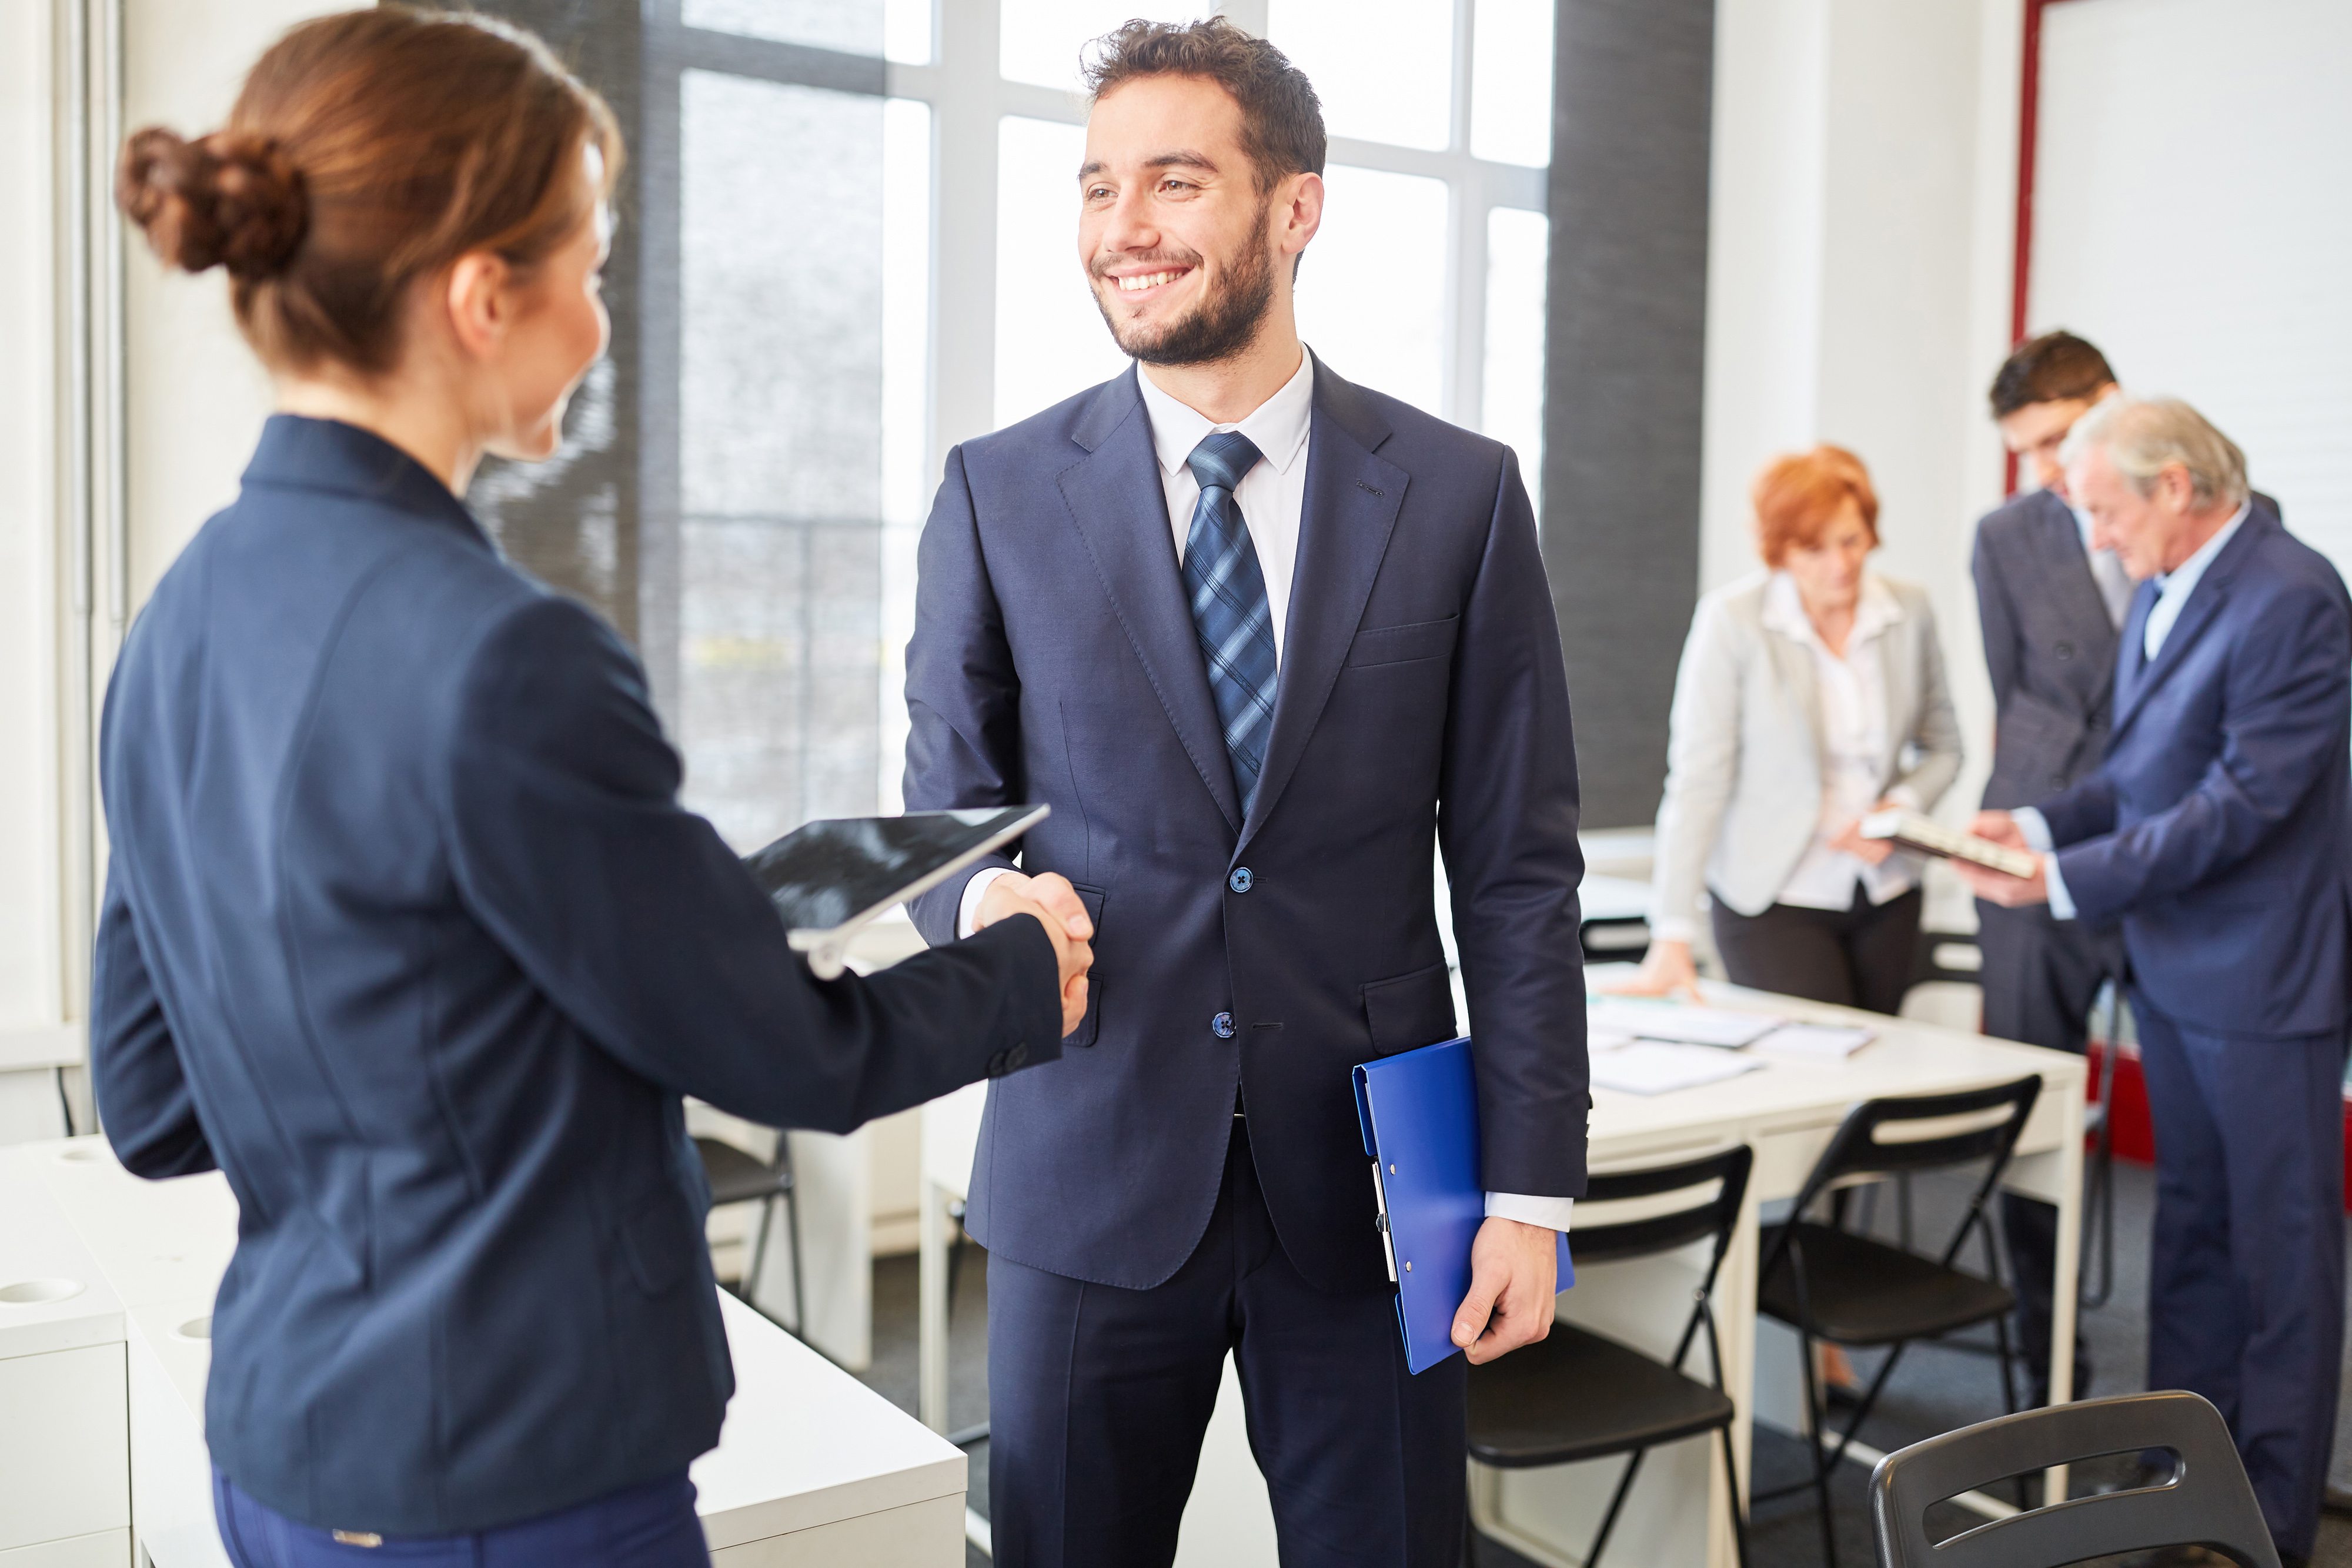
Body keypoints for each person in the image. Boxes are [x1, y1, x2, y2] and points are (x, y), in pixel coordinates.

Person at [93, 12, 1088, 1566]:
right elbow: (795, 1060)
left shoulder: (176, 624)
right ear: (486, 297)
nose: (607, 323)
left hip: (282, 1460)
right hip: (507, 1487)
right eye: (596, 271)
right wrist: (1025, 969)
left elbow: (156, 1103)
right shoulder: (507, 658)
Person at [900, 19, 1587, 1564]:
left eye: (1174, 181)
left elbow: (1520, 873)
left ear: (1297, 207)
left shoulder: (1460, 494)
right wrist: (978, 898)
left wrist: (1532, 1194)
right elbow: (949, 800)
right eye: (1094, 187)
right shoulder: (996, 490)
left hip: (1379, 1183)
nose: (1122, 229)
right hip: (1089, 1157)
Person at [1959, 396, 2351, 1568]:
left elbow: (2239, 802)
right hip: (2174, 968)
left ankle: (2268, 1516)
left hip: (2264, 979)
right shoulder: (2162, 584)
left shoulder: (2291, 594)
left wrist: (2062, 879)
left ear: (2175, 485)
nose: (2094, 539)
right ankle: (2185, 1468)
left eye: (2103, 511)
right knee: (2186, 1230)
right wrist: (2020, 824)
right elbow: (2131, 778)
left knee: (2277, 1250)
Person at [1618, 446, 1963, 1013]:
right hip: (1775, 895)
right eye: (1814, 549)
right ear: (1779, 550)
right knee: (1821, 1064)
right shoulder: (1734, 621)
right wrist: (1672, 930)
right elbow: (1700, 778)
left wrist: (1898, 809)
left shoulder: (1909, 610)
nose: (1840, 565)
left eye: (1852, 541)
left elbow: (1945, 748)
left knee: (1877, 1069)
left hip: (1888, 889)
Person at [1972, 330, 2128, 1409]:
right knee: (2032, 1110)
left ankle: (2186, 1407)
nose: (2055, 469)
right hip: (2036, 847)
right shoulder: (2007, 535)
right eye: (2032, 451)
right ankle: (2046, 1374)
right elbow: (2015, 691)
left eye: (2066, 438)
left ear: (2117, 403)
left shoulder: (2202, 501)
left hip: (2164, 848)